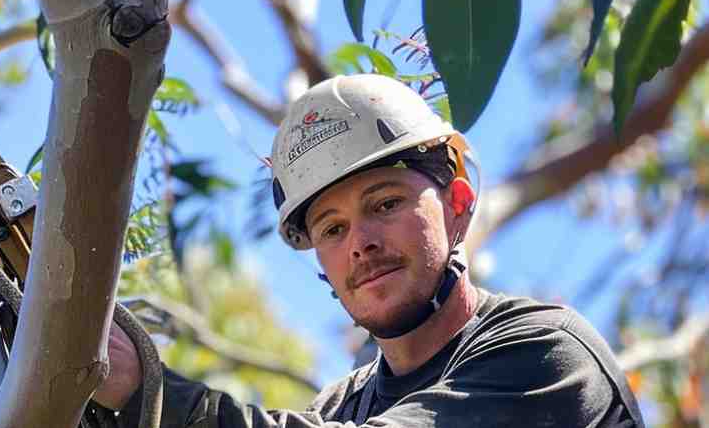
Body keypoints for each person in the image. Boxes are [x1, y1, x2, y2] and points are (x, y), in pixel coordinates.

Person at [93, 74, 645, 427]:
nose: (361, 244)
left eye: (384, 205)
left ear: (458, 203)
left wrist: (149, 391)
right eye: (332, 230)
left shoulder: (544, 353)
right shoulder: (340, 408)